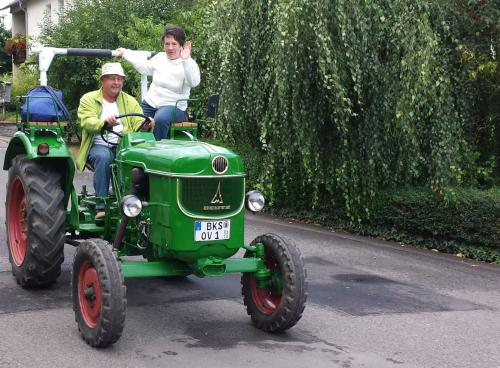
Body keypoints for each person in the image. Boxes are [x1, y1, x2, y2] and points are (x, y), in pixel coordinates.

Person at [76, 62, 153, 219]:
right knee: (104, 157)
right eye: (112, 78)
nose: (116, 82)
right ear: (103, 81)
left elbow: (138, 122)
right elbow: (87, 122)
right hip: (98, 145)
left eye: (119, 79)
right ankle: (101, 206)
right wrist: (103, 123)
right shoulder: (88, 99)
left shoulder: (130, 101)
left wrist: (147, 124)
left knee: (148, 161)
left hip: (124, 147)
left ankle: (141, 205)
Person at [116, 24, 200, 140]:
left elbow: (194, 82)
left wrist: (185, 60)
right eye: (167, 44)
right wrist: (126, 53)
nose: (170, 48)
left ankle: (155, 153)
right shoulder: (160, 58)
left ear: (181, 45)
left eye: (174, 44)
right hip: (150, 104)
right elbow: (143, 66)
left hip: (174, 108)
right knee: (135, 120)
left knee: (160, 118)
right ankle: (132, 152)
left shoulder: (189, 63)